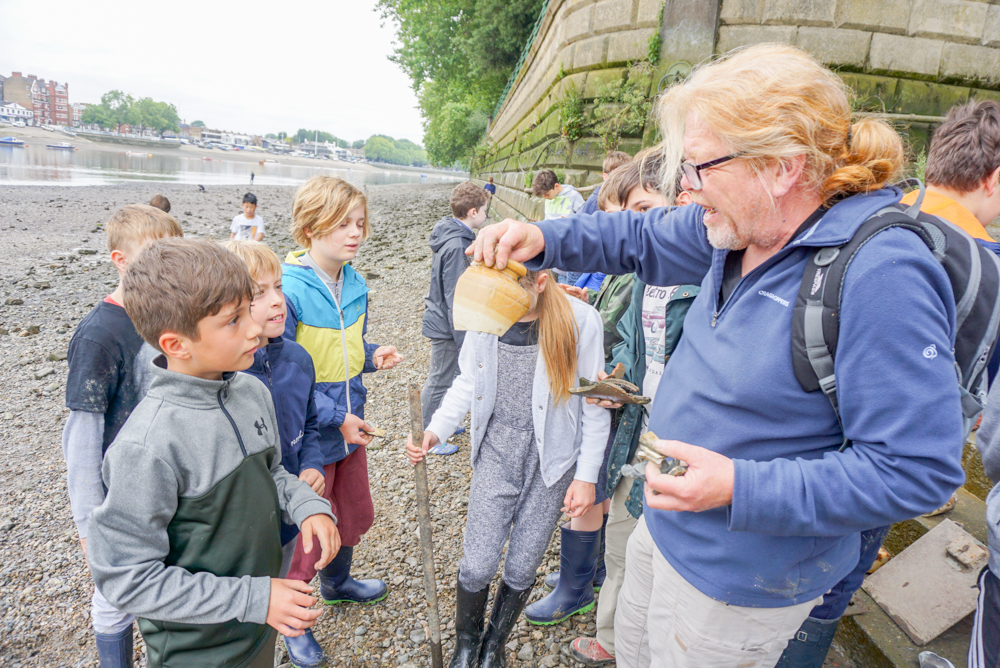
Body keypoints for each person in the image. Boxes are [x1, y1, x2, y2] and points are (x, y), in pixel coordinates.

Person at [470, 44, 966, 668]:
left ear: (782, 167)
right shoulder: (733, 227)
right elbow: (639, 236)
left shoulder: (882, 273)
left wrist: (739, 487)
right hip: (666, 525)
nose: (684, 186)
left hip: (740, 583)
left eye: (700, 166)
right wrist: (544, 237)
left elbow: (918, 469)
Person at [780, 97, 1000, 668]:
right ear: (994, 179)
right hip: (875, 476)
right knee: (829, 593)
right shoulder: (988, 267)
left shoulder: (862, 216)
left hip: (796, 453)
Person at [86, 238, 339, 668]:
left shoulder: (251, 390)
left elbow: (272, 472)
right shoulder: (146, 446)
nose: (255, 329)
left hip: (257, 626)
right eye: (233, 320)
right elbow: (127, 579)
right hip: (197, 651)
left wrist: (306, 503)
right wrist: (256, 598)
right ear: (177, 344)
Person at [407, 267, 610, 668]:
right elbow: (468, 380)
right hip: (497, 448)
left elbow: (594, 403)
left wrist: (586, 476)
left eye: (514, 289)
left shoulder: (580, 320)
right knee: (478, 559)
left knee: (524, 559)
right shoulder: (487, 313)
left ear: (541, 280)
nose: (504, 303)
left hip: (551, 459)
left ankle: (494, 644)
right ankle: (467, 643)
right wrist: (436, 429)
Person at [62, 204, 182, 668]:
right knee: (114, 595)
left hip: (167, 483)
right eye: (153, 256)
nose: (163, 269)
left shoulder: (171, 317)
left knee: (165, 580)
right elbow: (83, 434)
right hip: (118, 494)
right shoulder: (100, 335)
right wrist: (88, 522)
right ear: (120, 260)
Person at [281, 175, 403, 605]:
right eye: (341, 224)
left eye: (359, 222)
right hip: (311, 435)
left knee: (351, 512)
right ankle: (295, 620)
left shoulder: (356, 284)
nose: (355, 233)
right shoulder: (288, 290)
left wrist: (370, 357)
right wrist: (336, 418)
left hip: (351, 426)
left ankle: (336, 586)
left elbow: (340, 351)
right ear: (309, 228)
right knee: (308, 526)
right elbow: (284, 381)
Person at [225, 239, 330, 668]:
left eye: (278, 287)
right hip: (242, 523)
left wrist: (311, 464)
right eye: (259, 293)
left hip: (289, 511)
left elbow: (308, 425)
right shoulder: (227, 373)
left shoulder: (299, 359)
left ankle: (290, 628)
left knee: (287, 570)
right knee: (246, 594)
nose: (276, 302)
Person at [420, 182, 489, 455]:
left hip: (441, 318)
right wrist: (464, 338)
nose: (486, 215)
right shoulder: (459, 245)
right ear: (473, 212)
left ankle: (441, 424)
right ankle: (426, 434)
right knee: (439, 379)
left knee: (448, 377)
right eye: (485, 210)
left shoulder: (449, 233)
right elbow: (456, 297)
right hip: (446, 326)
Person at [532, 169, 585, 285]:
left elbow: (585, 223)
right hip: (552, 258)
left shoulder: (574, 197)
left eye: (547, 194)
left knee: (568, 295)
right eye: (543, 195)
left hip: (569, 261)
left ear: (556, 186)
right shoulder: (549, 199)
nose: (545, 197)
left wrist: (570, 222)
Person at [580, 150, 633, 216]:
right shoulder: (594, 202)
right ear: (605, 177)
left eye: (625, 176)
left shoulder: (631, 197)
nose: (621, 181)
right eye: (616, 176)